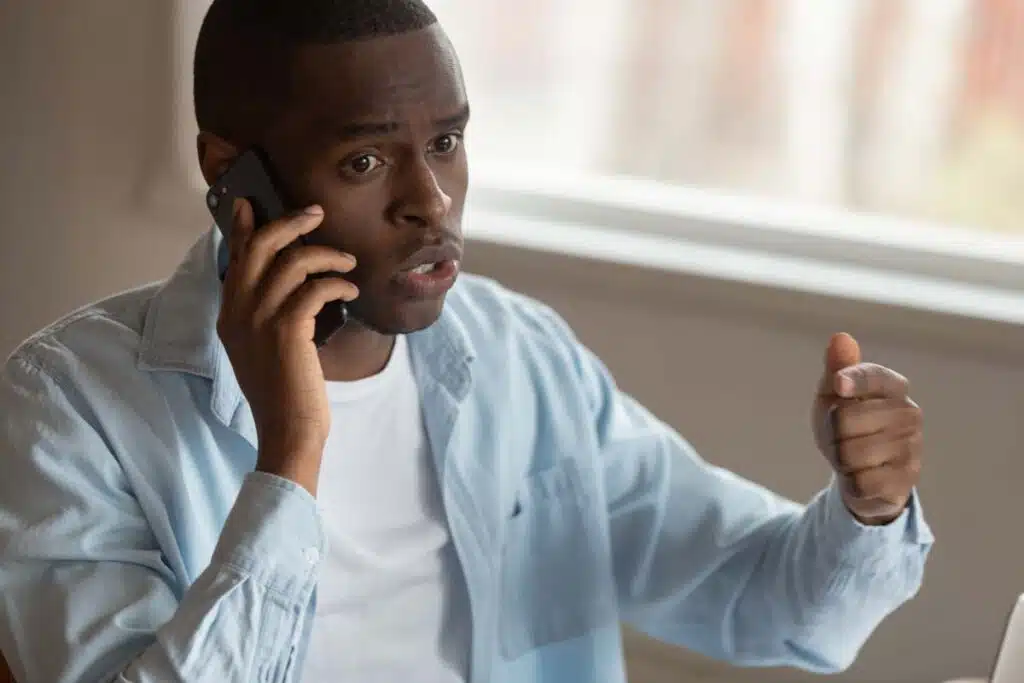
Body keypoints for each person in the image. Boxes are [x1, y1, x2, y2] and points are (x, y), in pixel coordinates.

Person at [0, 1, 932, 682]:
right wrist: (289, 461)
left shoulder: (519, 356)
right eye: (365, 161)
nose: (432, 202)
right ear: (227, 170)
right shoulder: (69, 410)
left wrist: (867, 508)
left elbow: (761, 597)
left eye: (445, 143)